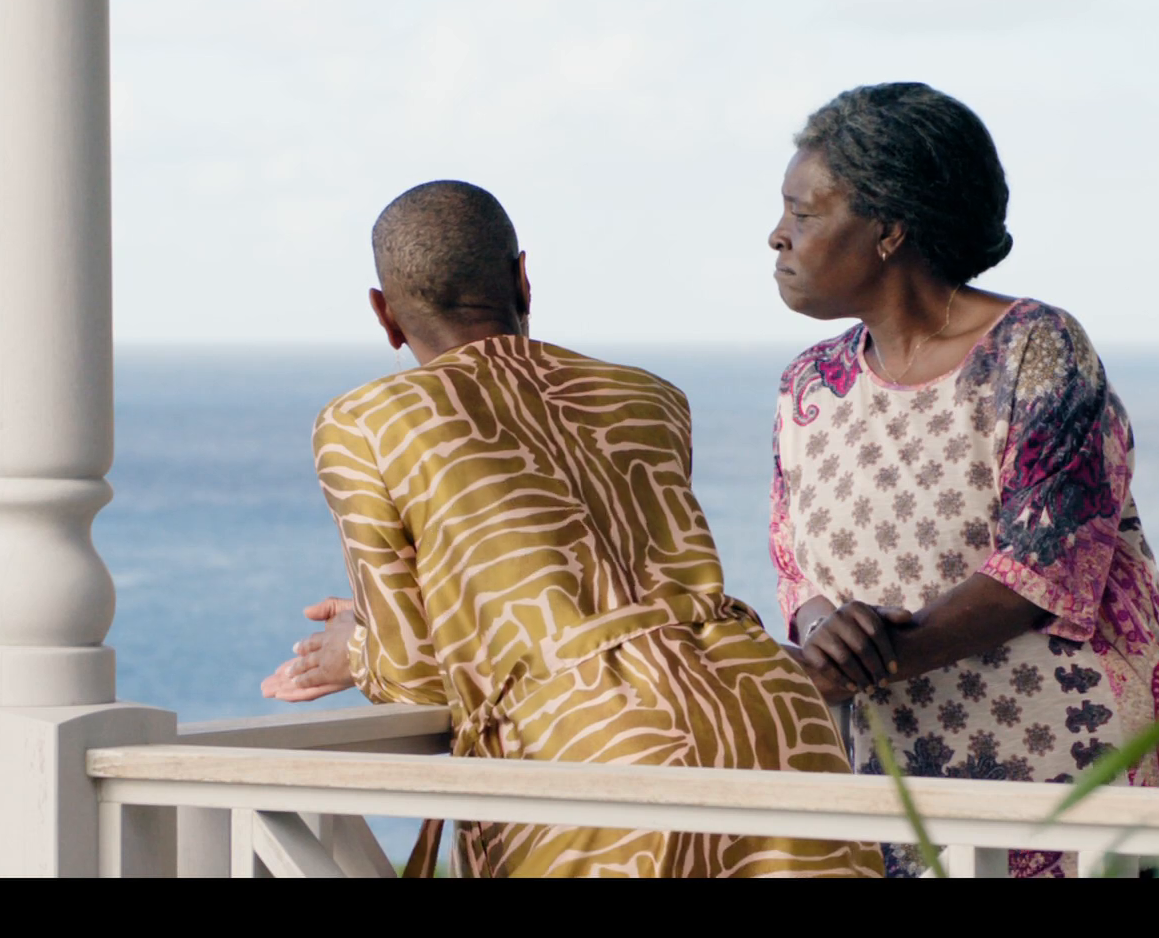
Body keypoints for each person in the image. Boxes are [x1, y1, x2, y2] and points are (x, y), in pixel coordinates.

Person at [263, 180, 880, 879]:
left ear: (385, 315)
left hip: (591, 748)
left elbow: (415, 676)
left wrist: (359, 645)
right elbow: (618, 588)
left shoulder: (363, 426)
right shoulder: (648, 396)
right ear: (522, 279)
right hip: (771, 717)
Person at [766, 84, 1159, 878]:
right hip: (904, 772)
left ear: (889, 230)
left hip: (1078, 766)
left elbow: (1041, 568)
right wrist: (823, 630)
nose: (778, 236)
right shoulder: (810, 385)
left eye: (803, 214)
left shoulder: (1035, 348)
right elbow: (796, 566)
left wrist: (867, 663)